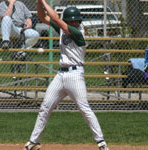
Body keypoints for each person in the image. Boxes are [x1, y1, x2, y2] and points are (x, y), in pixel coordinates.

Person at [24, 1, 109, 150]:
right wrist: (39, 3)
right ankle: (34, 141)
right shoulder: (65, 28)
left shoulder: (78, 32)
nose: (75, 22)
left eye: (76, 20)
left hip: (76, 75)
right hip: (60, 75)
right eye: (72, 20)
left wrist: (43, 1)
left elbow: (56, 18)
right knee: (45, 107)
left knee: (84, 108)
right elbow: (43, 18)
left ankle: (101, 142)